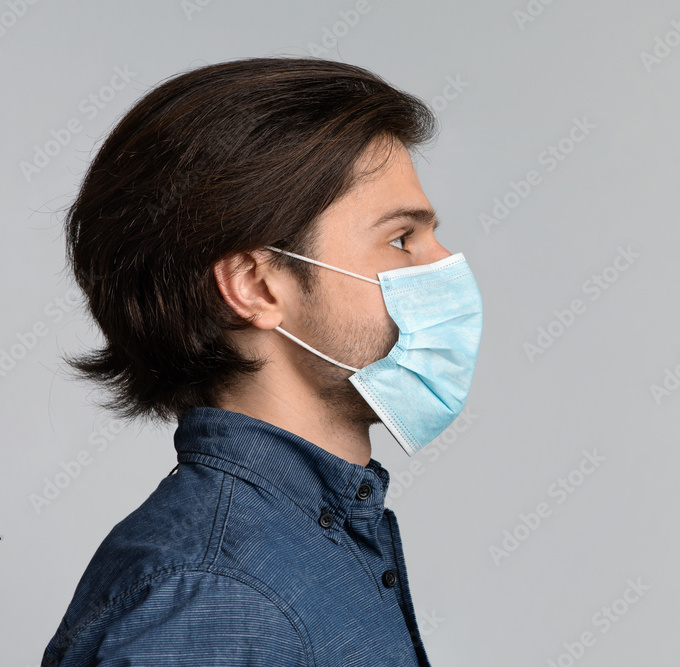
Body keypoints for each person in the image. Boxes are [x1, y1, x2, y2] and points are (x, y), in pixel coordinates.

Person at [41, 56, 483, 666]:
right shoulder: (218, 599)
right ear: (255, 286)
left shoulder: (304, 542)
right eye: (402, 238)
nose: (445, 265)